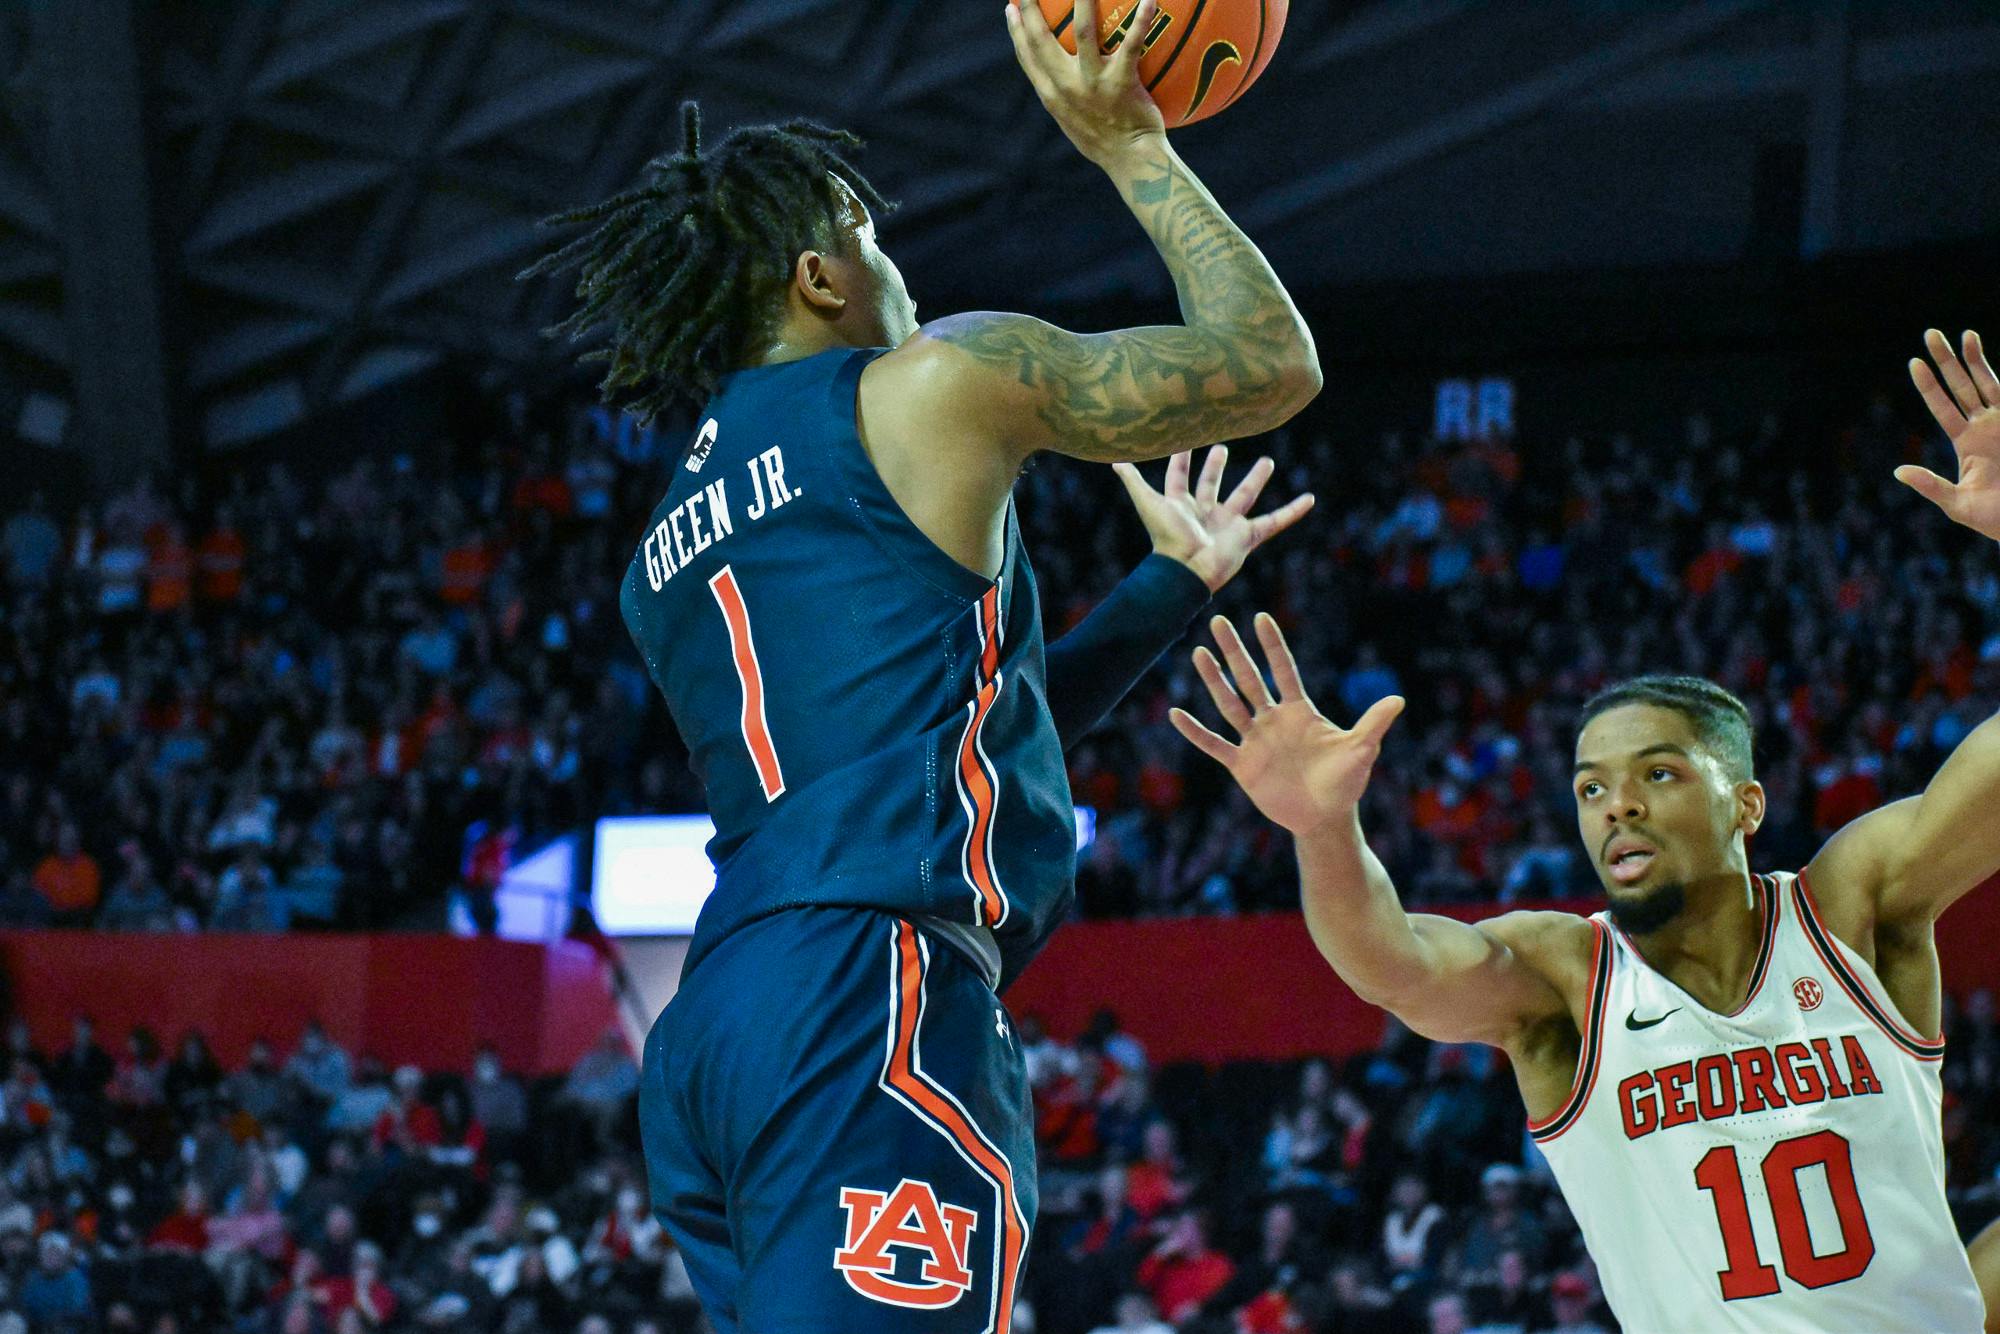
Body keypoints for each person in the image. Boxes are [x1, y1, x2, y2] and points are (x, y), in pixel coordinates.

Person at [521, 0, 1319, 1327]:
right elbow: (1269, 364)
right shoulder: (935, 379)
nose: (896, 269)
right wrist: (1132, 146)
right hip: (867, 986)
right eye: (870, 237)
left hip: (719, 1023)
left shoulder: (659, 552)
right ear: (818, 277)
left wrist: (1167, 587)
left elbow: (947, 722)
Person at [1168, 332, 1998, 1330]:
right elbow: (1393, 963)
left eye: (1657, 773)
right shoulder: (1568, 977)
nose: (1618, 805)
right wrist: (1322, 827)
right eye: (1591, 787)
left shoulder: (1849, 904)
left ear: (1744, 804)